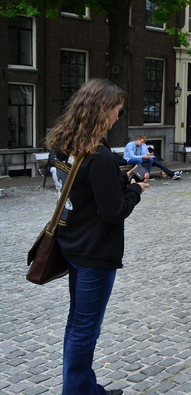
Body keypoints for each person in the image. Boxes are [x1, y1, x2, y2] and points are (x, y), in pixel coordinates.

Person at [46, 78, 150, 395]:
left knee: (76, 323)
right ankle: (77, 392)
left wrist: (120, 178)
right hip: (95, 251)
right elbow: (113, 212)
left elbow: (85, 189)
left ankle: (85, 387)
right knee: (86, 328)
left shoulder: (64, 144)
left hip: (72, 243)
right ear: (103, 111)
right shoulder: (99, 155)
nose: (118, 117)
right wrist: (135, 189)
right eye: (117, 111)